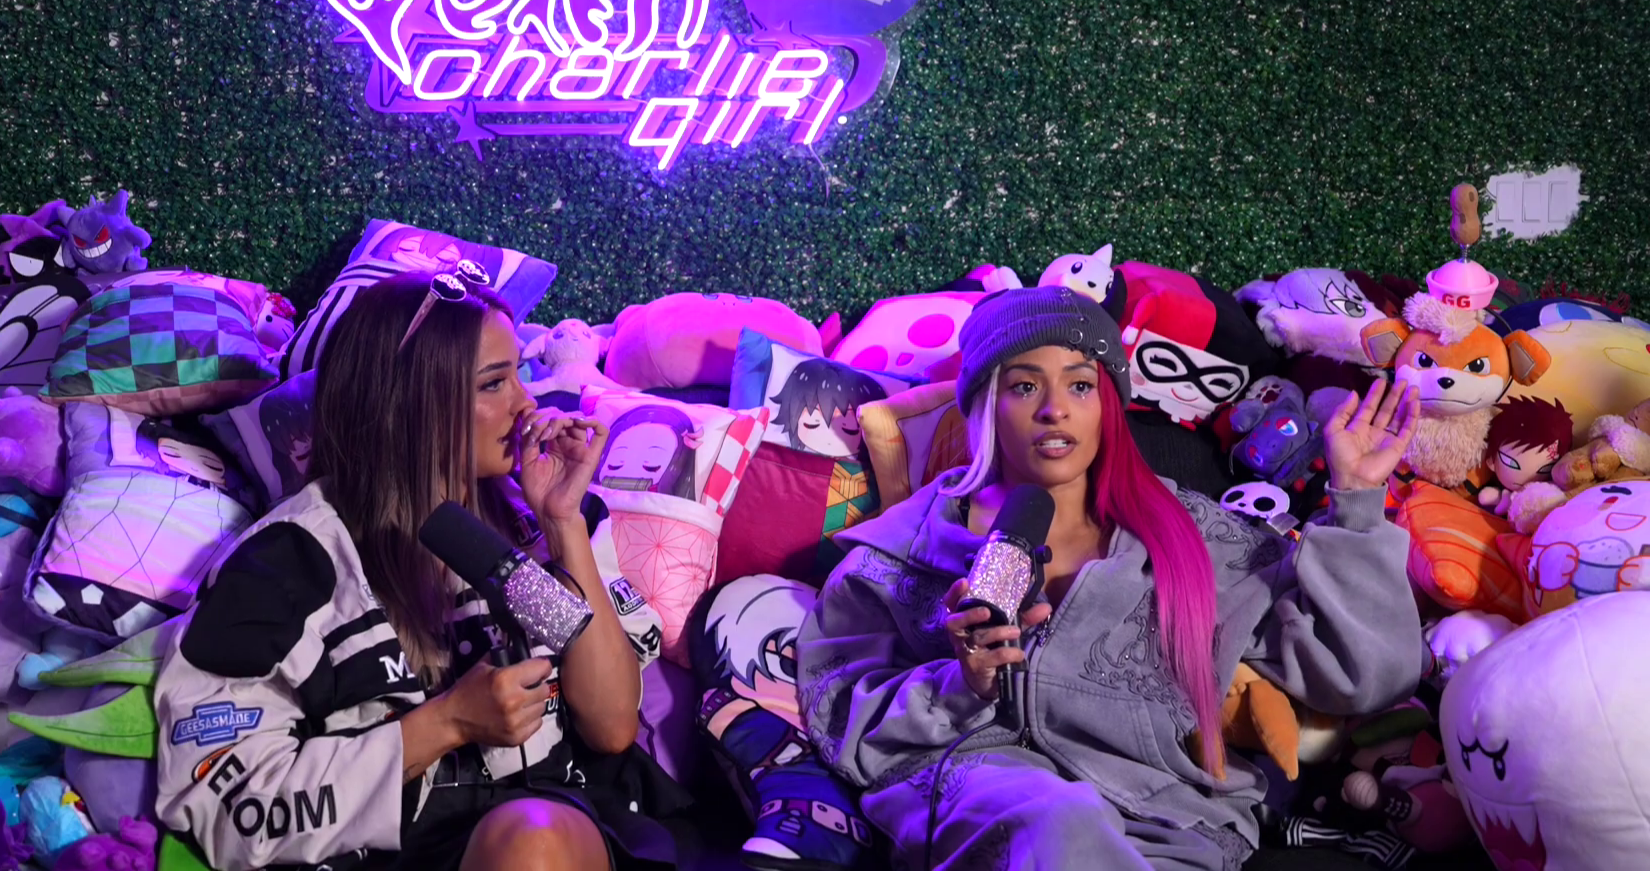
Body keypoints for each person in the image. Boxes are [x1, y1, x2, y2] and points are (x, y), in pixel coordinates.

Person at [796, 286, 1428, 871]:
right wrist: (960, 685)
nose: (1054, 410)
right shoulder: (900, 550)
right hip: (987, 807)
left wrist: (1355, 504)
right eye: (1024, 386)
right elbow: (839, 713)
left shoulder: (1194, 538)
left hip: (1170, 827)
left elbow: (1365, 674)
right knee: (1057, 818)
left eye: (1080, 385)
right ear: (986, 402)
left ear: (1106, 404)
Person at [153, 266, 683, 871]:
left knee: (531, 839)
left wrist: (563, 525)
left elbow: (612, 726)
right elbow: (228, 804)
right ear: (406, 402)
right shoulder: (288, 562)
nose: (526, 404)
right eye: (494, 383)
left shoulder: (538, 521)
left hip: (561, 829)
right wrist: (446, 723)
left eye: (519, 374)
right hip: (393, 853)